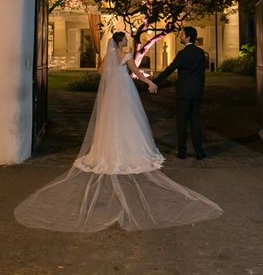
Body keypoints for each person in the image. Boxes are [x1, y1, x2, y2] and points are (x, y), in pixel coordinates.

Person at [14, 32, 222, 232]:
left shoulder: (109, 56)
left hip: (112, 93)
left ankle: (107, 151)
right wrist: (150, 82)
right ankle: (130, 150)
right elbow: (137, 72)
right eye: (125, 39)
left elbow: (100, 72)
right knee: (129, 119)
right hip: (125, 90)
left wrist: (115, 72)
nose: (127, 41)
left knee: (111, 120)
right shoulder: (126, 55)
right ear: (121, 41)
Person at [152, 27, 207, 160]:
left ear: (188, 37)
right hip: (196, 91)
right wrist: (200, 89)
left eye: (182, 35)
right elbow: (202, 74)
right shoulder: (200, 53)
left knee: (182, 122)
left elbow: (170, 69)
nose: (180, 37)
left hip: (183, 92)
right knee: (196, 121)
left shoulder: (182, 53)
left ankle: (182, 151)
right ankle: (199, 151)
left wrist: (155, 82)